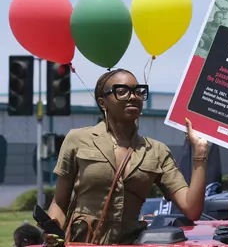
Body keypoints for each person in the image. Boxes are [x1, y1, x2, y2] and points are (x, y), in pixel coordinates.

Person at [43, 69, 209, 246]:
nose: (133, 97)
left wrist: (200, 152)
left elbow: (192, 209)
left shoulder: (157, 151)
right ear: (103, 102)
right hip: (81, 243)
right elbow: (60, 201)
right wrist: (53, 228)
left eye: (138, 91)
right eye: (121, 91)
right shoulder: (77, 139)